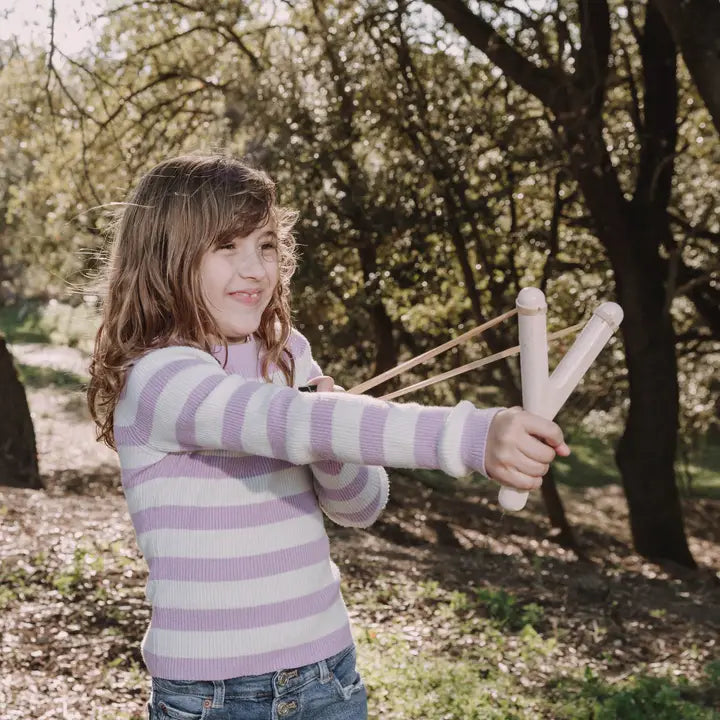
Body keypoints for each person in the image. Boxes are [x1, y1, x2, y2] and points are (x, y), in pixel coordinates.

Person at [87, 153, 569, 720]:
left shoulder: (286, 353)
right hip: (216, 696)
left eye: (265, 245)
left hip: (327, 674)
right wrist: (472, 436)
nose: (256, 270)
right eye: (226, 247)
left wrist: (331, 442)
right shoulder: (160, 376)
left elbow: (359, 507)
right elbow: (290, 423)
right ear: (164, 258)